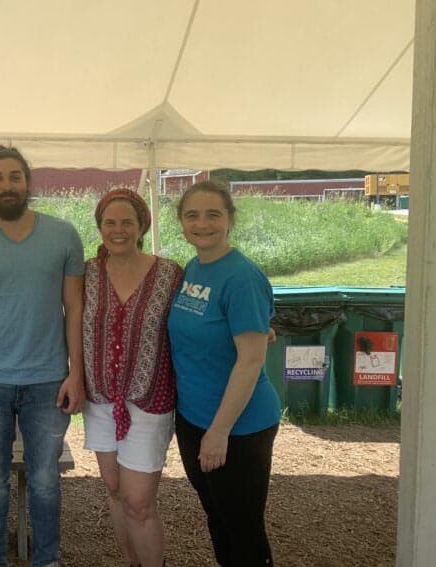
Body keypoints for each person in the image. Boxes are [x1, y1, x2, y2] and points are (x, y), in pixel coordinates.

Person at [0, 144, 85, 567]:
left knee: (45, 480)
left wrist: (75, 373)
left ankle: (47, 559)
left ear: (28, 181)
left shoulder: (64, 236)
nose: (6, 185)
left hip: (48, 382)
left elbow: (75, 309)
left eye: (14, 176)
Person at [167, 180, 281, 567]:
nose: (202, 224)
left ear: (230, 219)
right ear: (181, 223)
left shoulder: (242, 276)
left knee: (244, 528)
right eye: (192, 215)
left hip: (239, 426)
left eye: (213, 214)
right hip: (194, 419)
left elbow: (250, 360)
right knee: (218, 519)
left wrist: (219, 431)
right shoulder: (194, 269)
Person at [82, 189, 182, 567]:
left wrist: (254, 329)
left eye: (127, 222)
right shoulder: (87, 273)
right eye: (110, 222)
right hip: (100, 398)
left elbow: (197, 319)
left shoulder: (169, 273)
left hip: (150, 399)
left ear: (142, 226)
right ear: (100, 226)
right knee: (115, 490)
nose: (118, 229)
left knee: (139, 501)